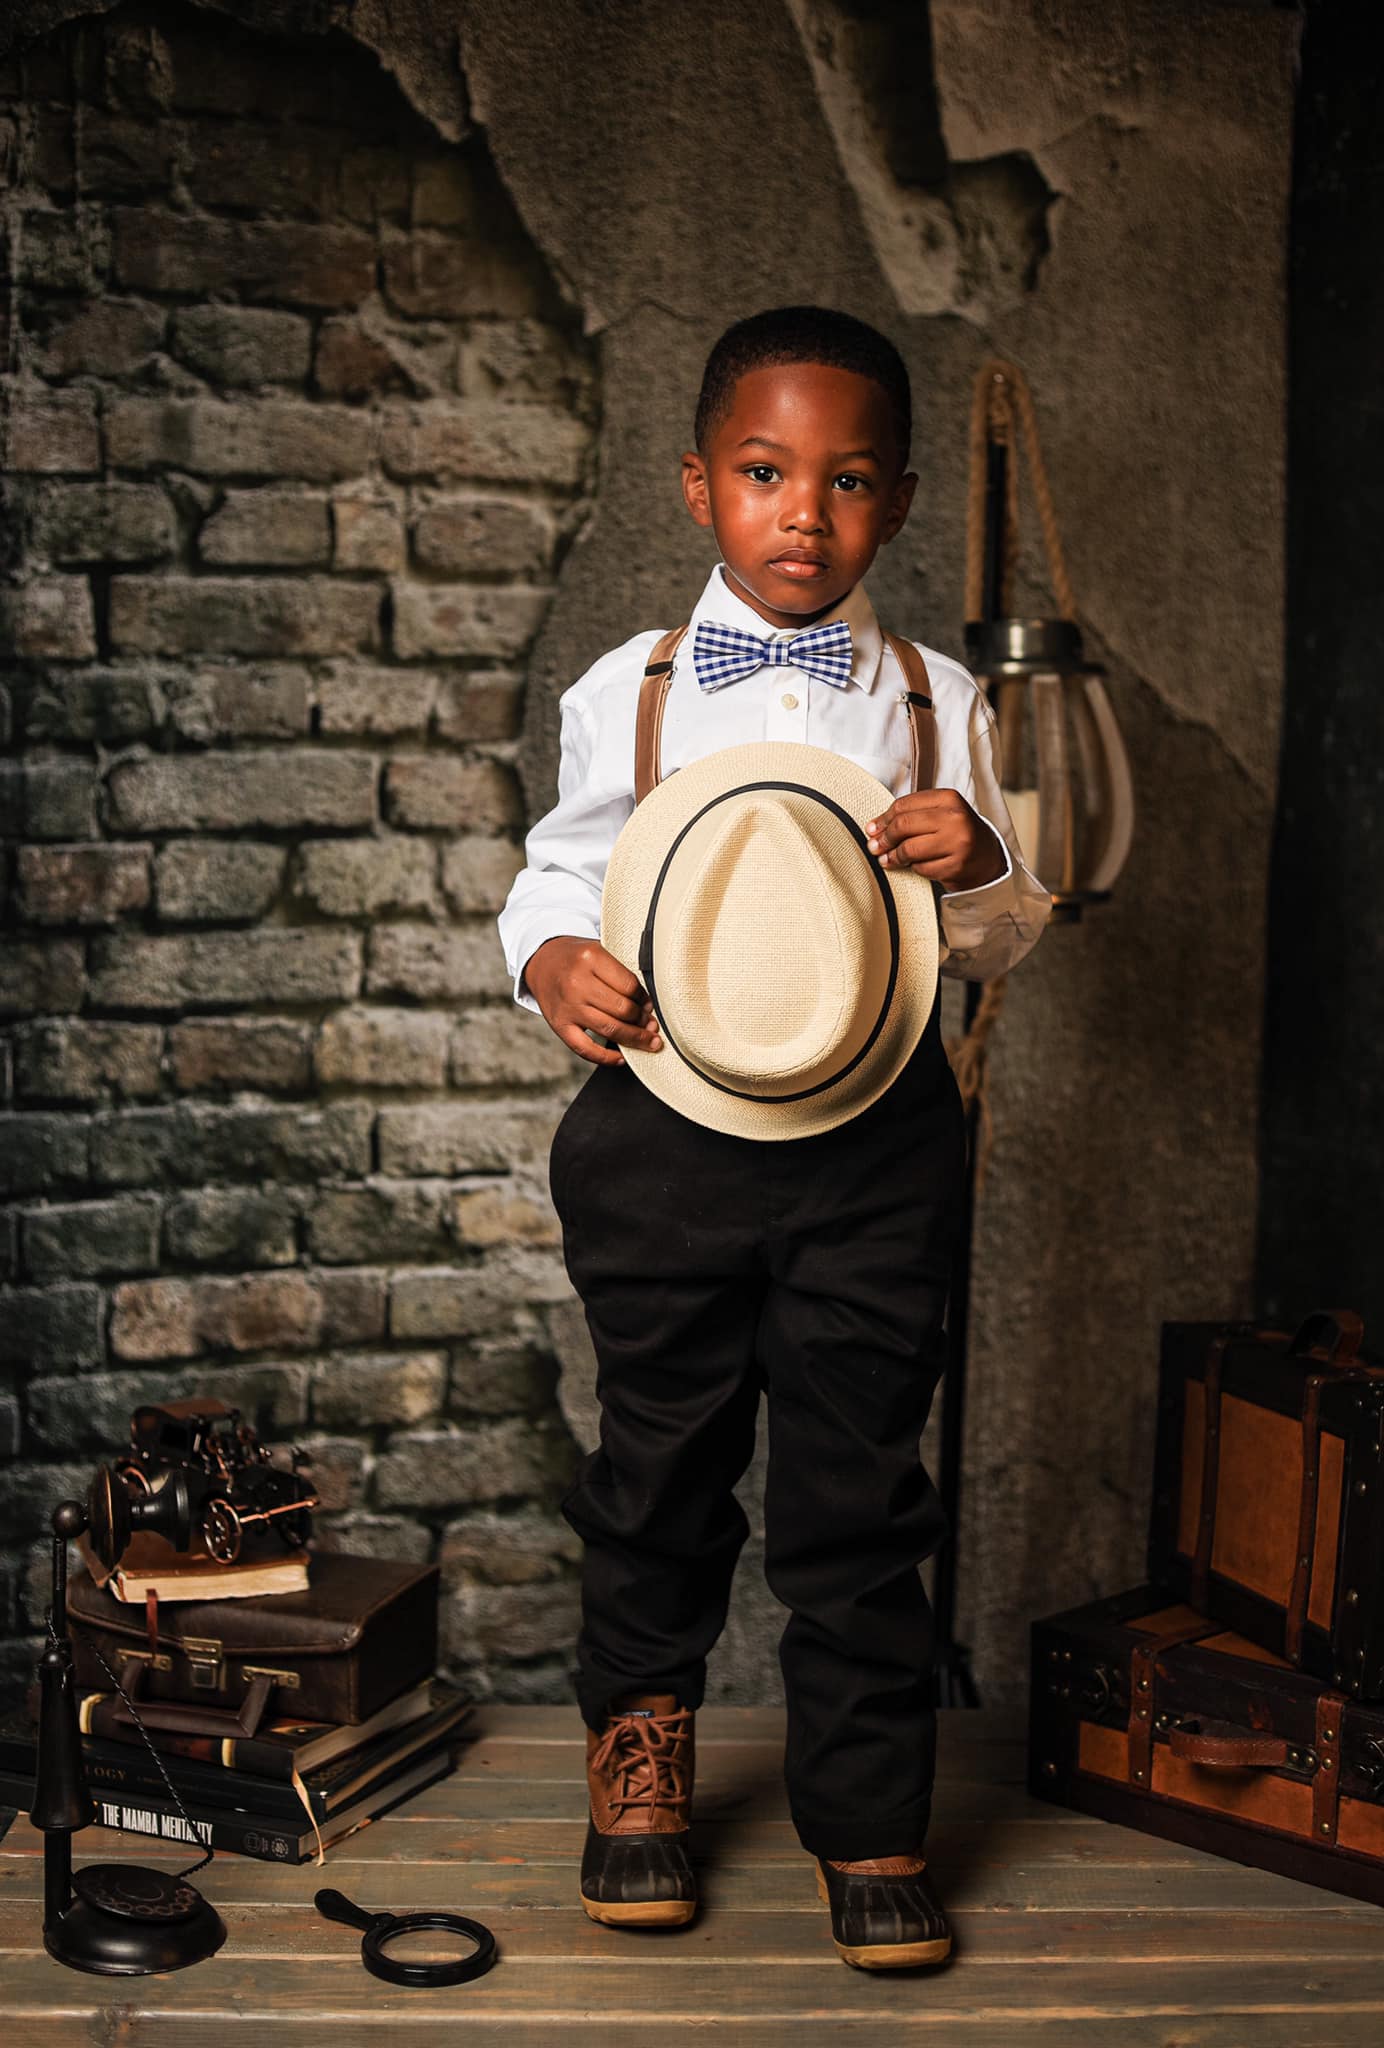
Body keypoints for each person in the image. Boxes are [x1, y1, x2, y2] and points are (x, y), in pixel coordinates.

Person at [497, 306, 1050, 1969]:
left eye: (849, 481)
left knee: (859, 1488)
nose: (803, 513)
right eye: (763, 472)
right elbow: (557, 868)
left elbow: (1008, 933)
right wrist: (549, 958)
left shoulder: (940, 697)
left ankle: (869, 1812)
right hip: (662, 1132)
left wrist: (981, 866)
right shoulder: (632, 688)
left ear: (892, 506)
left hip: (877, 1138)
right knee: (656, 1469)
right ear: (698, 488)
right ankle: (641, 1772)